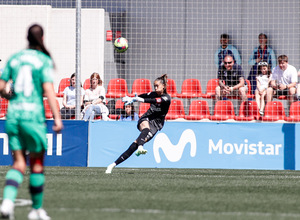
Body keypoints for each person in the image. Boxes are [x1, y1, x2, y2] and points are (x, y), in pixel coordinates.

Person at [0, 24, 63, 220]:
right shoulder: (43, 60)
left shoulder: (15, 58)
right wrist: (57, 118)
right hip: (33, 118)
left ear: (27, 38)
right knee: (36, 163)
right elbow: (49, 91)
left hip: (14, 117)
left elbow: (2, 87)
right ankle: (36, 210)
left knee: (18, 163)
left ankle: (7, 203)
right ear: (42, 39)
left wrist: (10, 97)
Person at [105, 74, 171, 174]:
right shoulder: (153, 93)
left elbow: (154, 100)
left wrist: (139, 99)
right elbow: (144, 95)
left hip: (156, 124)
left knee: (136, 143)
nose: (155, 88)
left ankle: (112, 165)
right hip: (146, 118)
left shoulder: (166, 98)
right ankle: (141, 147)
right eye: (154, 86)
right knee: (145, 130)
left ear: (163, 86)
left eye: (157, 85)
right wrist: (132, 98)